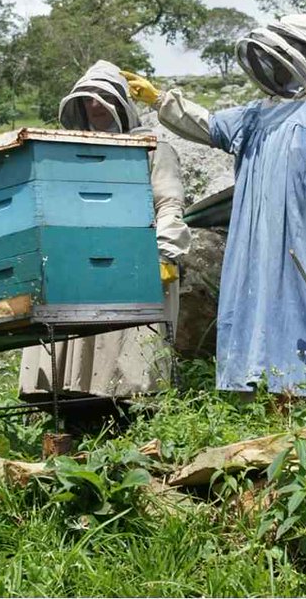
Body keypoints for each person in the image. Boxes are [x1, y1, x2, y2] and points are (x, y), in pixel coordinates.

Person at [123, 14, 306, 402]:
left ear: (303, 55)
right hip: (264, 237)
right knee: (269, 309)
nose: (275, 69)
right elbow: (213, 126)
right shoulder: (260, 112)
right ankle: (273, 394)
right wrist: (160, 100)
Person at [18, 61, 191, 417]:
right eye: (89, 101)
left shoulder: (154, 148)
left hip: (137, 258)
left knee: (130, 355)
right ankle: (80, 415)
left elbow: (170, 202)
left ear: (121, 104)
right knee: (84, 352)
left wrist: (165, 252)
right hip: (85, 260)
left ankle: (136, 420)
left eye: (104, 100)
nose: (96, 107)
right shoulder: (70, 154)